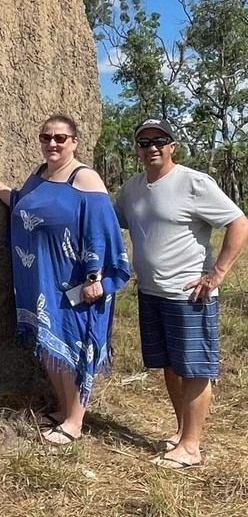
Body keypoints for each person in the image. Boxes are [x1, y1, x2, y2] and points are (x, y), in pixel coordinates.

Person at [0, 114, 130, 445]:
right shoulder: (40, 176)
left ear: (74, 142)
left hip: (73, 282)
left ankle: (75, 421)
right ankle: (63, 407)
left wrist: (95, 277)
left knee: (73, 346)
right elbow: (20, 203)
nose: (52, 144)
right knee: (50, 346)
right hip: (40, 281)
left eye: (60, 138)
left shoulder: (85, 179)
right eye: (46, 137)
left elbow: (103, 232)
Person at [115, 118, 248, 469]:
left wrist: (217, 274)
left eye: (160, 140)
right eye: (144, 141)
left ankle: (191, 446)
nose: (152, 147)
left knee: (195, 369)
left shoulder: (194, 183)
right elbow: (111, 222)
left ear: (173, 145)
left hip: (189, 295)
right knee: (171, 368)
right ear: (137, 148)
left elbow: (238, 221)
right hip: (150, 291)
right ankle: (182, 432)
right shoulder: (132, 188)